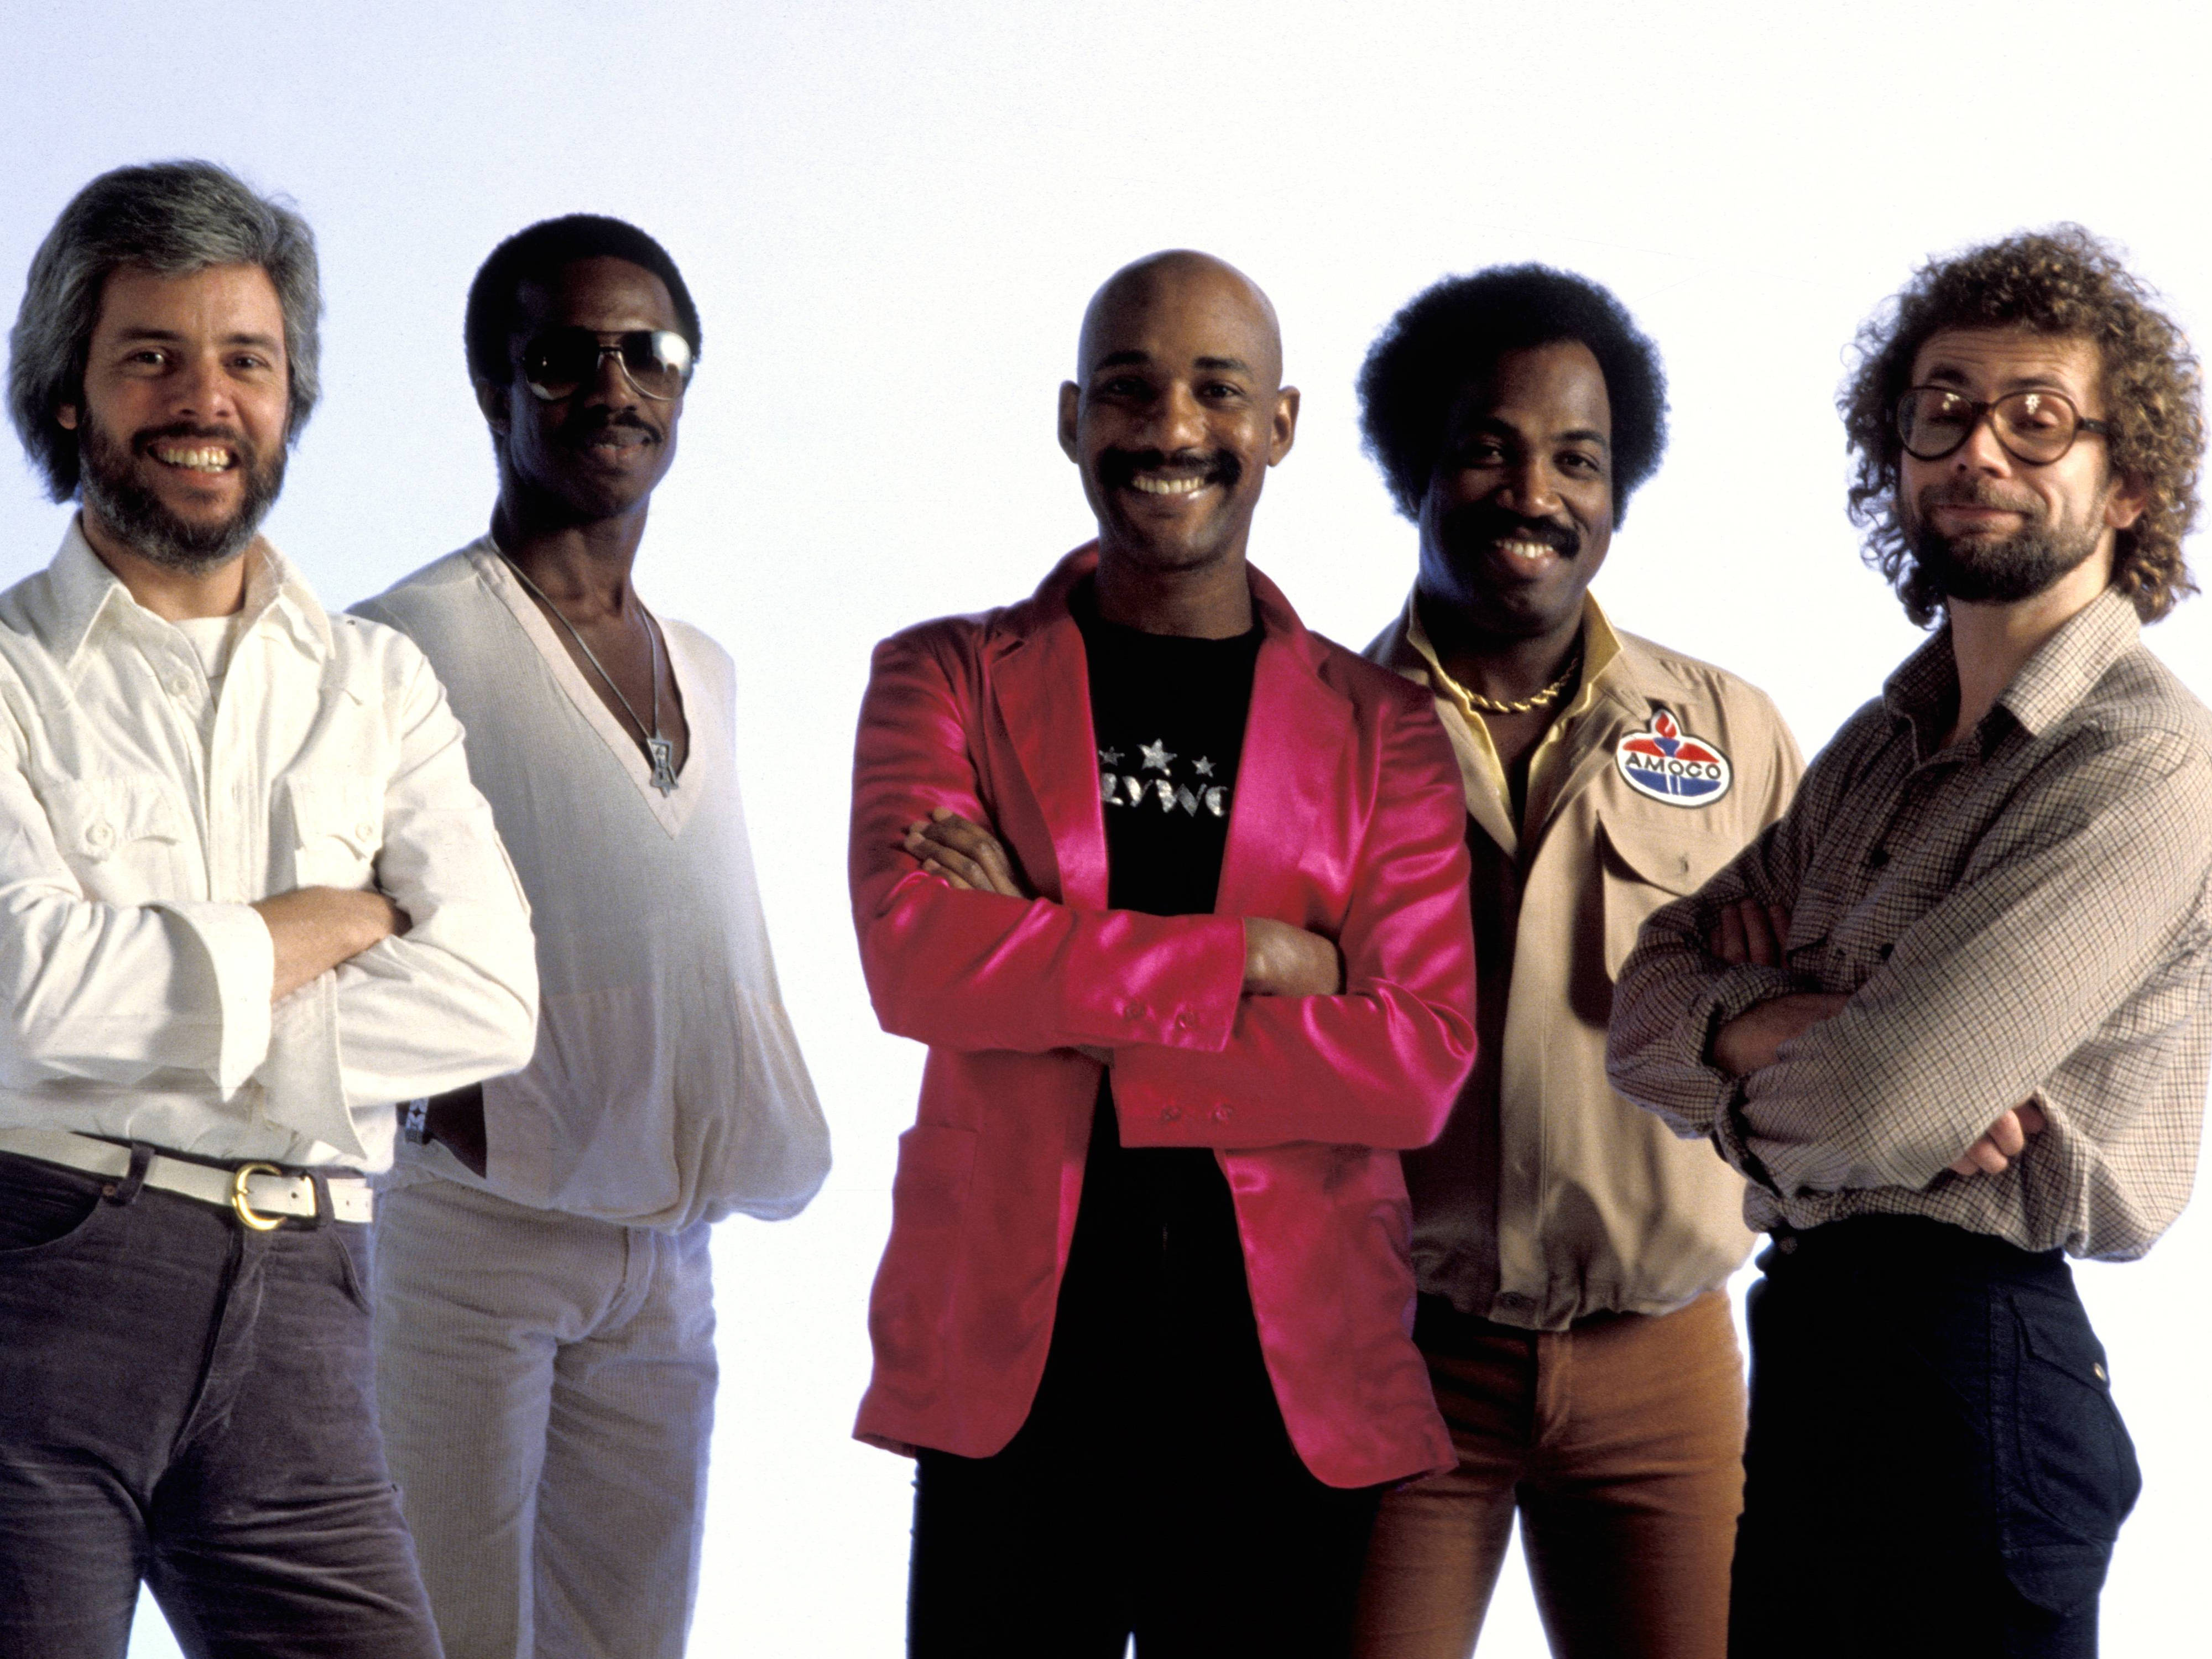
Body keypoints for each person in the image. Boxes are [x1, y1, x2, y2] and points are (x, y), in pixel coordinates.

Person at [849, 249, 1478, 1656]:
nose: (1171, 429)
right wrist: (1257, 958)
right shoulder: (943, 675)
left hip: (1288, 1381)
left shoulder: (1383, 730)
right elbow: (918, 961)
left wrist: (1043, 954)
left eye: (1217, 391)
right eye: (1129, 390)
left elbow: (1413, 1065)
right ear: (1072, 418)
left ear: (1281, 425)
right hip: (1011, 1368)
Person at [1607, 226, 2211, 1658]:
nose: (1977, 449)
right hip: (1813, 1347)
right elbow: (1640, 1002)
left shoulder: (2141, 760)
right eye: (1941, 410)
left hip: (1976, 1368)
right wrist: (1772, 1021)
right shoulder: (1878, 748)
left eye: (2037, 418)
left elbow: (1884, 1100)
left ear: (2128, 480)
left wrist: (1782, 1059)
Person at [0, 160, 539, 1657]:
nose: (206, 399)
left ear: (291, 399)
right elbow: (29, 992)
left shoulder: (379, 685)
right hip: (42, 1283)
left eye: (247, 359)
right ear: (69, 395)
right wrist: (325, 921)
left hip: (308, 1301)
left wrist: (166, 1014)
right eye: (151, 356)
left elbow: (493, 999)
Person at [353, 214, 831, 1659]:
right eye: (565, 358)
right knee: (438, 1637)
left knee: (631, 1642)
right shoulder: (399, 645)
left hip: (669, 1259)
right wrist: (428, 1098)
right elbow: (306, 925)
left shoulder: (708, 669)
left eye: (649, 353)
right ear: (494, 387)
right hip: (471, 1242)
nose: (614, 387)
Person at [1348, 266, 1801, 1659]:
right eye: (1488, 448)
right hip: (1397, 1353)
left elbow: (1819, 1020)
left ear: (1618, 489)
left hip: (1663, 1358)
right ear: (1416, 467)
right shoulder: (1319, 731)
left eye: (1576, 460)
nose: (1533, 492)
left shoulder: (1726, 732)